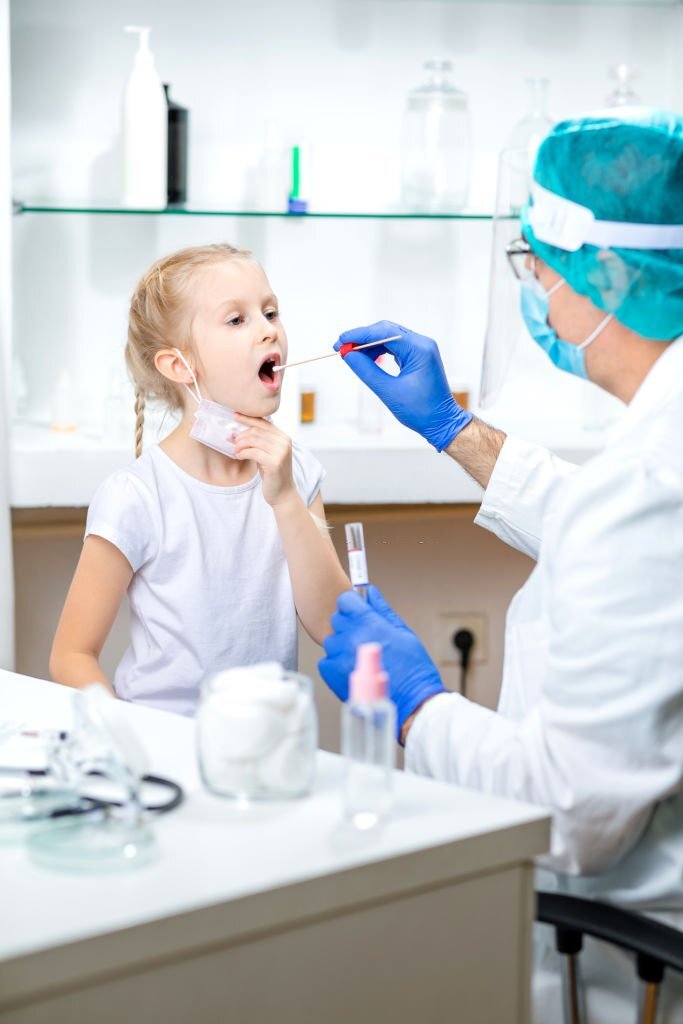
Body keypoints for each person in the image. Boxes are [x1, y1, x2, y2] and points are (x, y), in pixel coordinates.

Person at [319, 109, 683, 1020]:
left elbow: (567, 817)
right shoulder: (655, 458)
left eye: (534, 268)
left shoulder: (647, 478)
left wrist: (416, 704)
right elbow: (630, 552)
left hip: (616, 953)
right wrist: (456, 429)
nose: (533, 293)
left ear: (601, 274)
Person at [50, 243, 350, 715]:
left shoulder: (297, 474)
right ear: (178, 366)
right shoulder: (138, 497)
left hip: (264, 744)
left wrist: (286, 499)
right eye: (237, 319)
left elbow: (332, 624)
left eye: (270, 312)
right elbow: (71, 655)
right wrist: (124, 739)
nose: (269, 330)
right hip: (163, 751)